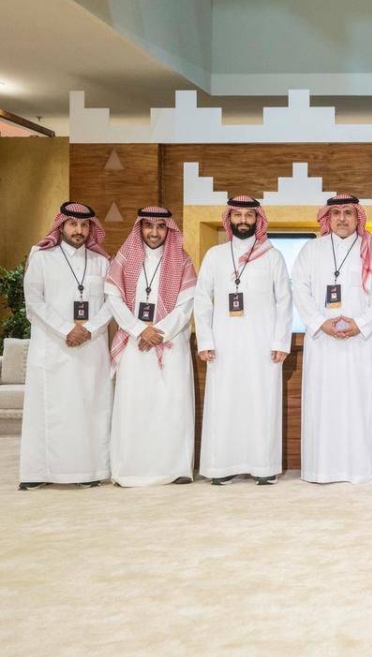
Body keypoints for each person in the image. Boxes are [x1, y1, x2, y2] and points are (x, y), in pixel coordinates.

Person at [292, 194, 372, 484]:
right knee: (324, 404)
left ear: (357, 216)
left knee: (362, 403)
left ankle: (363, 469)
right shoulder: (312, 250)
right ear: (328, 217)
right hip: (323, 342)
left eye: (348, 212)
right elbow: (299, 288)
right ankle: (322, 469)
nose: (342, 218)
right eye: (336, 213)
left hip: (363, 342)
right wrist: (320, 322)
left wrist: (361, 324)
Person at [194, 196, 293, 486]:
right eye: (237, 215)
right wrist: (205, 340)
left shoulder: (272, 256)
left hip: (263, 345)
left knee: (262, 403)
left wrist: (280, 342)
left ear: (257, 220)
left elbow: (284, 301)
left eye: (249, 215)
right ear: (229, 219)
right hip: (223, 345)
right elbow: (202, 299)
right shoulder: (215, 255)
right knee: (224, 403)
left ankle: (264, 466)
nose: (243, 221)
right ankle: (223, 466)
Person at [18, 202, 113, 490]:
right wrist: (66, 329)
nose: (79, 230)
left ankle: (88, 471)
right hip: (52, 348)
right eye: (73, 224)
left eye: (84, 225)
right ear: (61, 226)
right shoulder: (42, 257)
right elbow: (34, 301)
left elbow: (112, 303)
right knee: (48, 410)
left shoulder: (101, 262)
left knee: (89, 409)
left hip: (90, 349)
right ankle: (38, 472)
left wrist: (89, 329)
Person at [105, 207, 197, 487]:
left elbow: (186, 304)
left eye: (160, 226)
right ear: (140, 228)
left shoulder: (182, 261)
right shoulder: (124, 259)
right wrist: (138, 329)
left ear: (168, 229)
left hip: (170, 344)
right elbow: (113, 298)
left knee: (172, 405)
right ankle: (130, 470)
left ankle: (175, 468)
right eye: (148, 226)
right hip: (135, 344)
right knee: (134, 406)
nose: (154, 232)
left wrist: (159, 332)